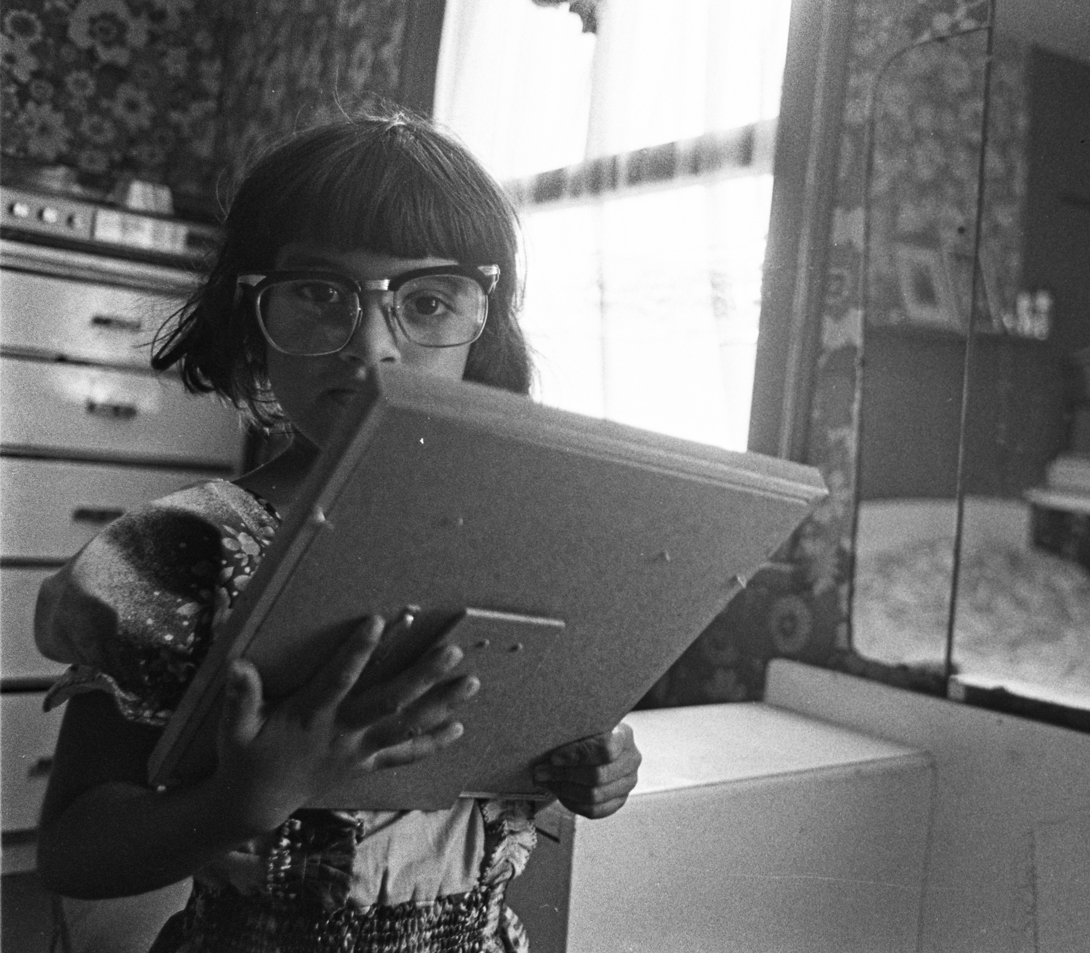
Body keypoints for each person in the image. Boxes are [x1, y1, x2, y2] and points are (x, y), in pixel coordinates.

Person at [33, 113, 643, 952]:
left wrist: (596, 761)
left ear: (482, 325)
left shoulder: (524, 541)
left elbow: (535, 746)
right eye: (321, 294)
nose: (371, 345)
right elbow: (72, 850)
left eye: (426, 301)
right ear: (253, 311)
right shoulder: (181, 551)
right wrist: (236, 803)